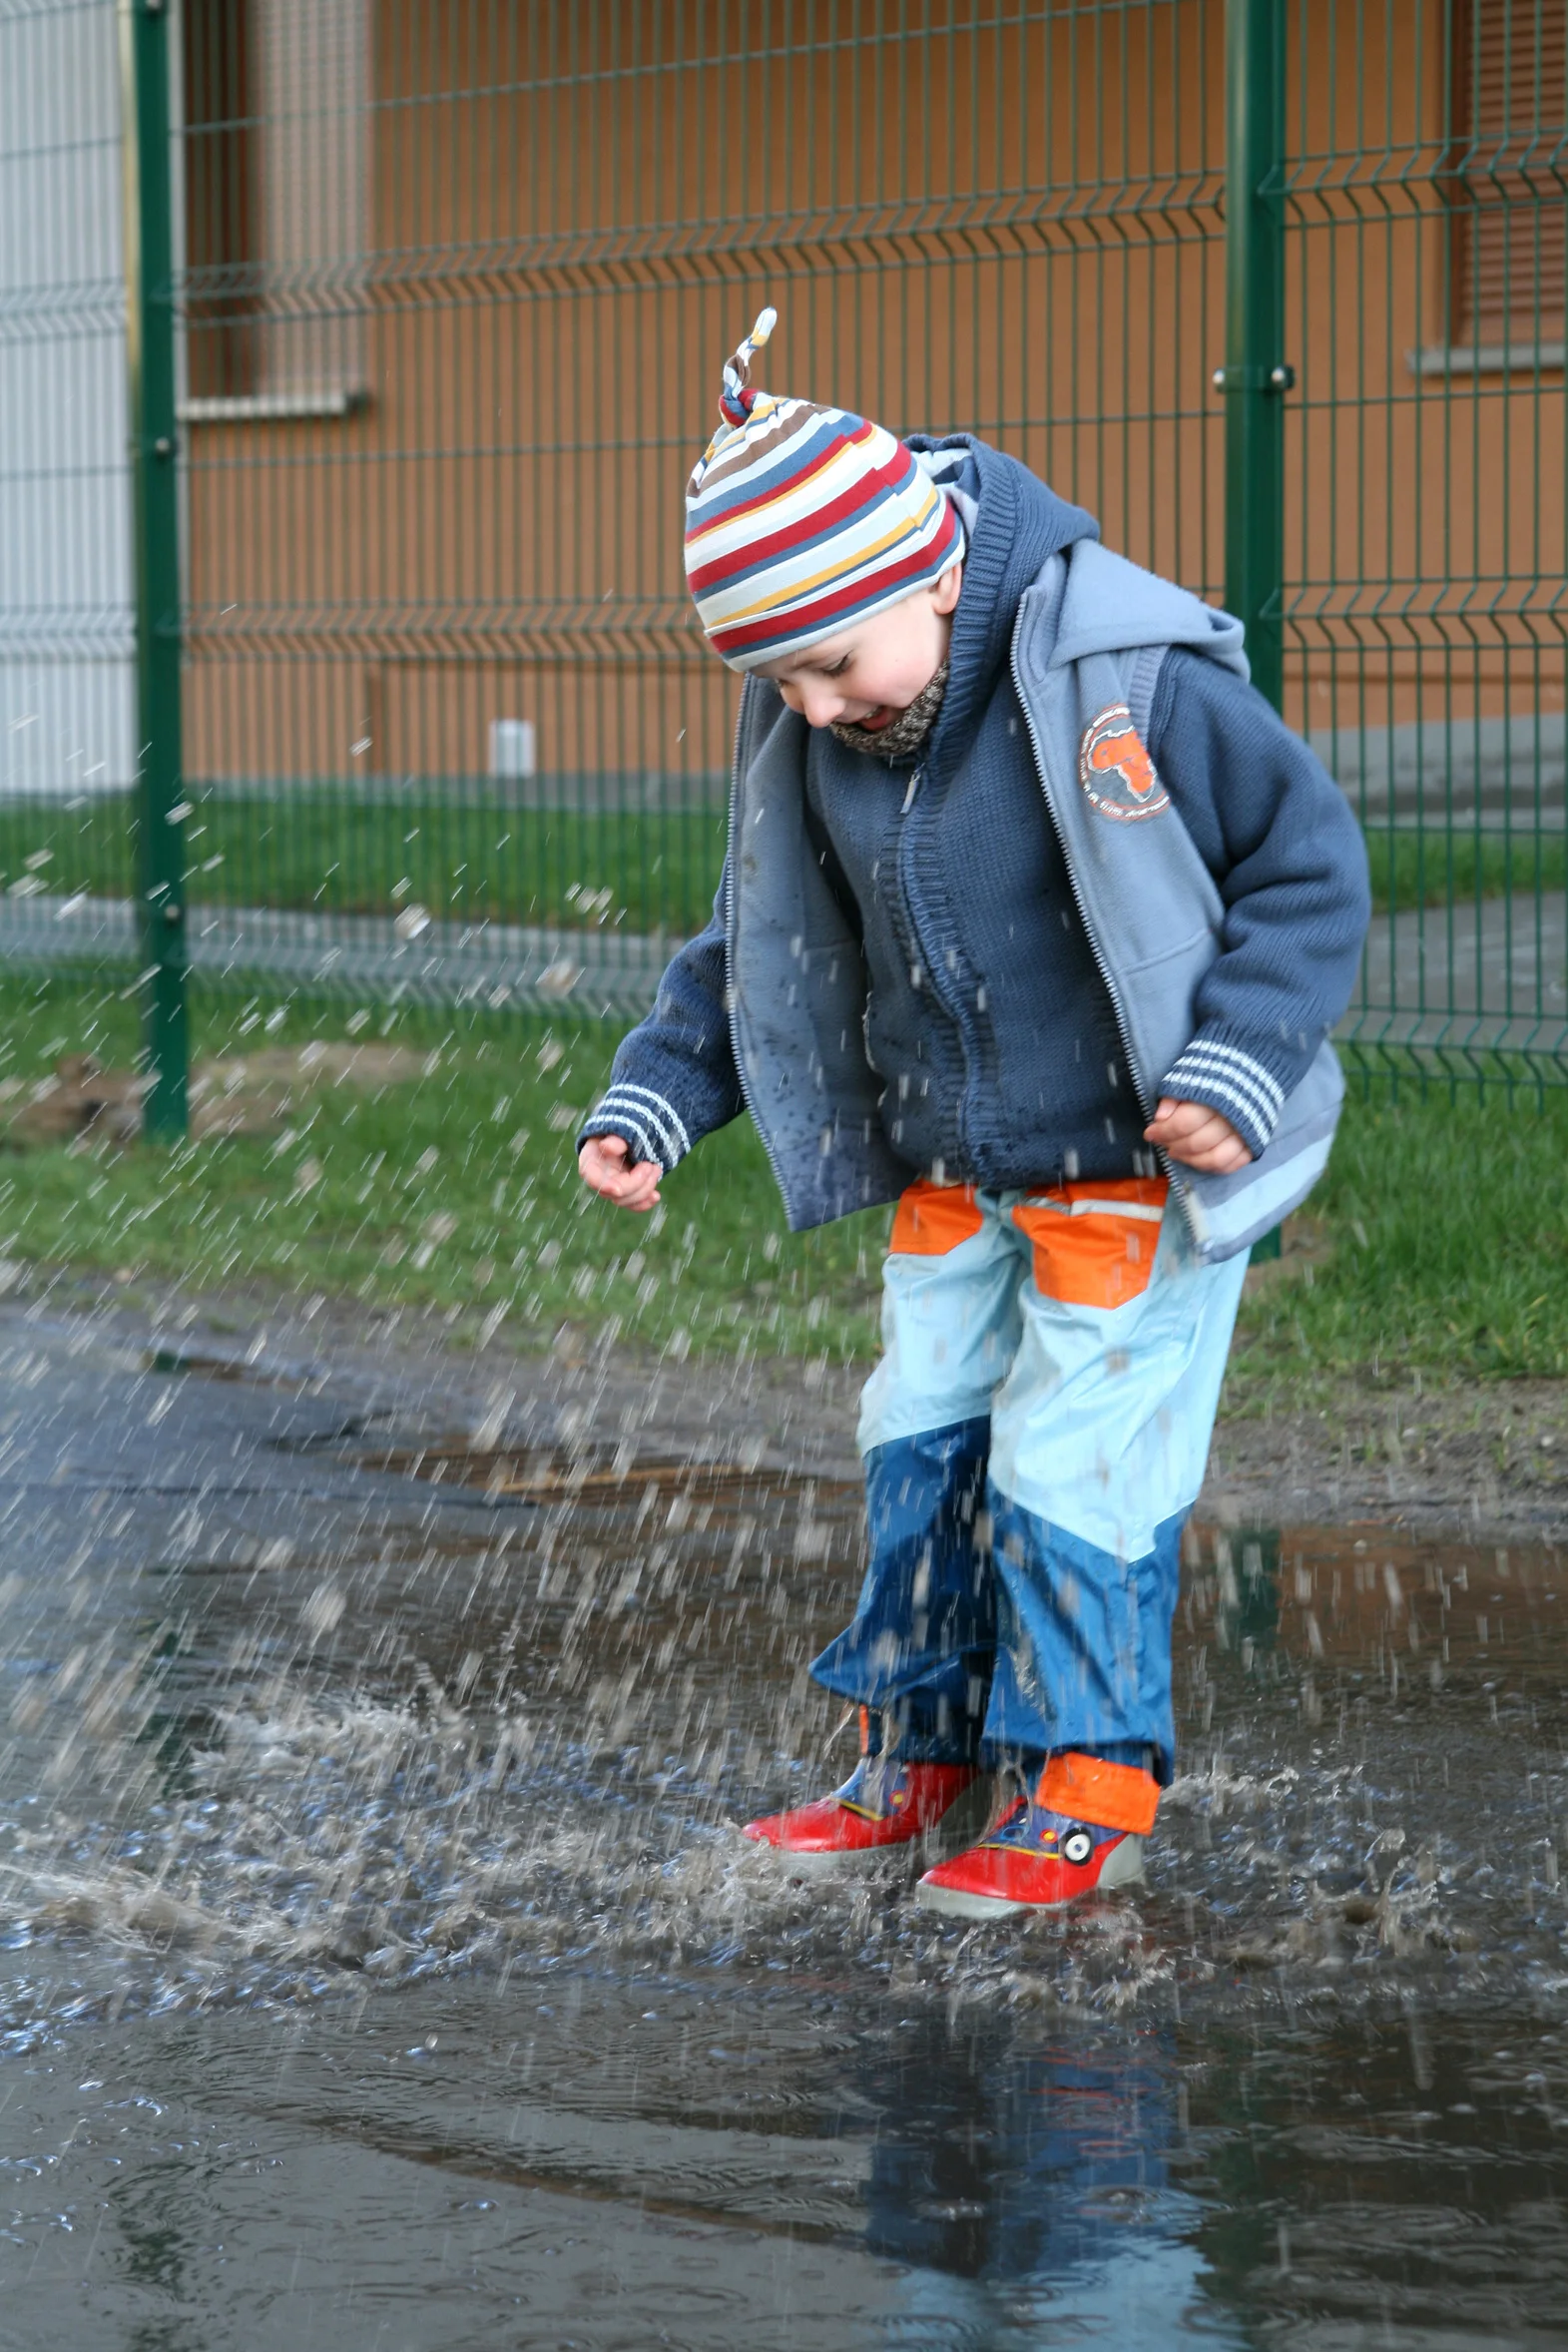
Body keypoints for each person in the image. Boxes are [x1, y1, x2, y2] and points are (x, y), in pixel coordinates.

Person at [577, 308, 1369, 1920]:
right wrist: (661, 1094)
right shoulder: (834, 732)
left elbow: (1306, 867)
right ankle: (916, 1752)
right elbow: (764, 944)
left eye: (827, 661)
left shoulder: (1124, 677)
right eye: (775, 677)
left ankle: (1088, 1780)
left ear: (928, 574)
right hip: (953, 1180)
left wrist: (1239, 1059)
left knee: (1072, 1469)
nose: (808, 706)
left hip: (1127, 1176)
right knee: (917, 1446)